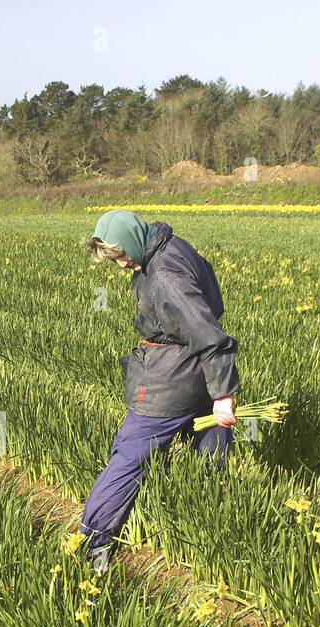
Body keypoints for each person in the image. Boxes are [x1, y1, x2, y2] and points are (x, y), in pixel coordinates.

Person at [79, 209, 240, 573]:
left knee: (129, 457)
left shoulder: (165, 275)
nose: (122, 265)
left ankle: (91, 544)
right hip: (199, 376)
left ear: (133, 241)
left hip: (171, 380)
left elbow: (206, 331)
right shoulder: (173, 246)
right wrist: (216, 391)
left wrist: (223, 394)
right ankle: (212, 530)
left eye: (121, 255)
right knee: (211, 458)